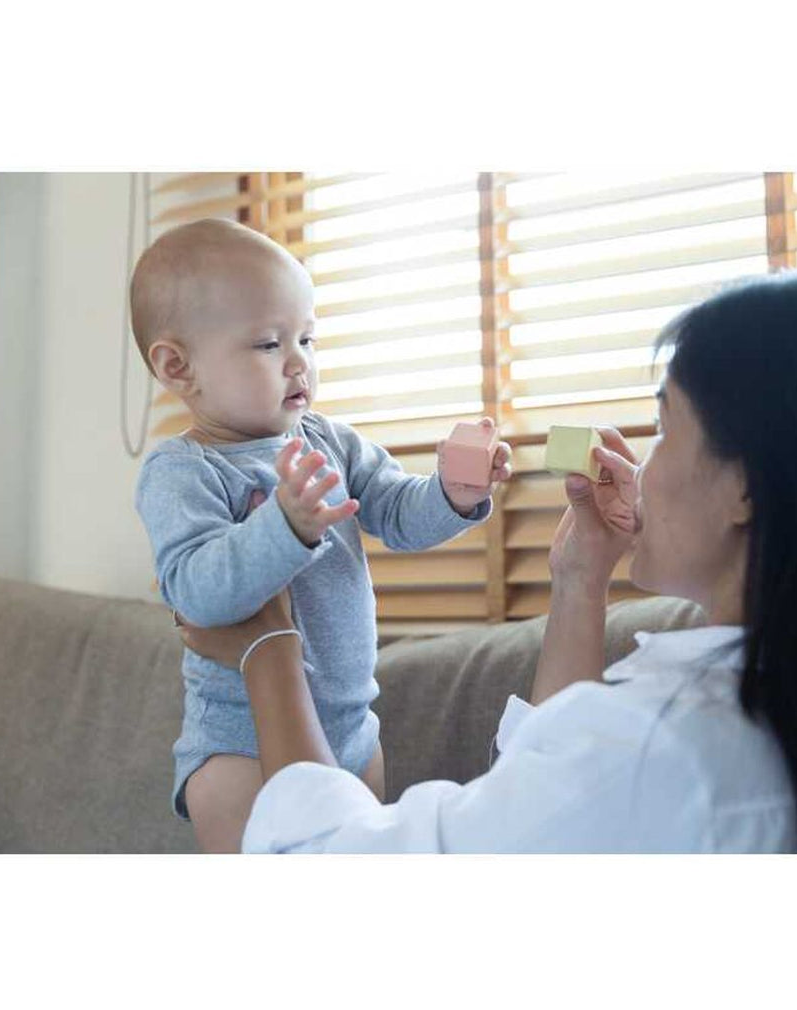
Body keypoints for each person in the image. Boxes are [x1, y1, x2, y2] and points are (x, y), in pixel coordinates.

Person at [179, 270, 797, 853]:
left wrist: (269, 647)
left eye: (666, 426)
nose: (647, 457)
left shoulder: (664, 746)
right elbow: (552, 795)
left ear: (747, 485)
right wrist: (579, 581)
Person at [132, 218, 512, 852]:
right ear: (179, 367)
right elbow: (197, 593)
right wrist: (284, 526)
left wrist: (452, 492)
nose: (298, 363)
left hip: (353, 734)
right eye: (267, 345)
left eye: (306, 338)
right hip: (238, 747)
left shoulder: (328, 440)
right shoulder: (182, 471)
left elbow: (394, 509)